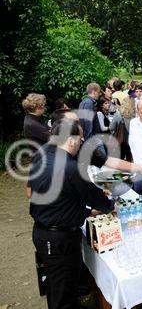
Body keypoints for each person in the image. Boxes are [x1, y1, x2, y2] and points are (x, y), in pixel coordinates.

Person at [29, 118, 115, 309]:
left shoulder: (43, 155)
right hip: (57, 238)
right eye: (81, 139)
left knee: (59, 283)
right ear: (71, 140)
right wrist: (109, 205)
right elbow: (93, 196)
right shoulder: (69, 167)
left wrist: (88, 211)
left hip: (45, 231)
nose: (81, 144)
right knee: (61, 290)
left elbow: (59, 198)